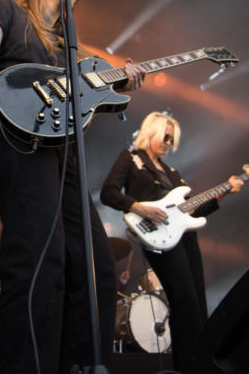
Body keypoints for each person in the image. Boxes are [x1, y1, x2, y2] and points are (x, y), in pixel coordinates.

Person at [0, 0, 145, 374]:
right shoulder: (10, 11)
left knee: (96, 266)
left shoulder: (72, 52)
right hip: (18, 143)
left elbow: (98, 93)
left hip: (63, 155)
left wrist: (124, 84)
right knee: (38, 260)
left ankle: (81, 366)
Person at [100, 111, 243, 370]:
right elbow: (108, 192)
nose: (168, 143)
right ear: (151, 131)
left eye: (172, 139)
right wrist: (139, 208)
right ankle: (188, 365)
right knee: (184, 297)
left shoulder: (172, 172)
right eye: (165, 137)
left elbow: (193, 209)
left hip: (185, 236)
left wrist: (223, 193)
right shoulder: (131, 158)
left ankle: (201, 361)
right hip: (157, 235)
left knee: (197, 300)